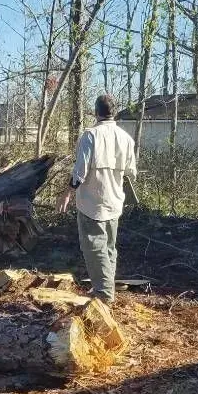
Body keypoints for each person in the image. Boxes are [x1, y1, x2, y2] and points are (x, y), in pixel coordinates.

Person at [58, 94, 137, 302]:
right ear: (115, 111)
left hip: (92, 203)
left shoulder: (90, 135)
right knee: (109, 248)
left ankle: (103, 294)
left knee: (94, 248)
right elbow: (131, 172)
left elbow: (80, 172)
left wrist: (68, 192)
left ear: (96, 112)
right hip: (114, 202)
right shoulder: (126, 138)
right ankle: (104, 288)